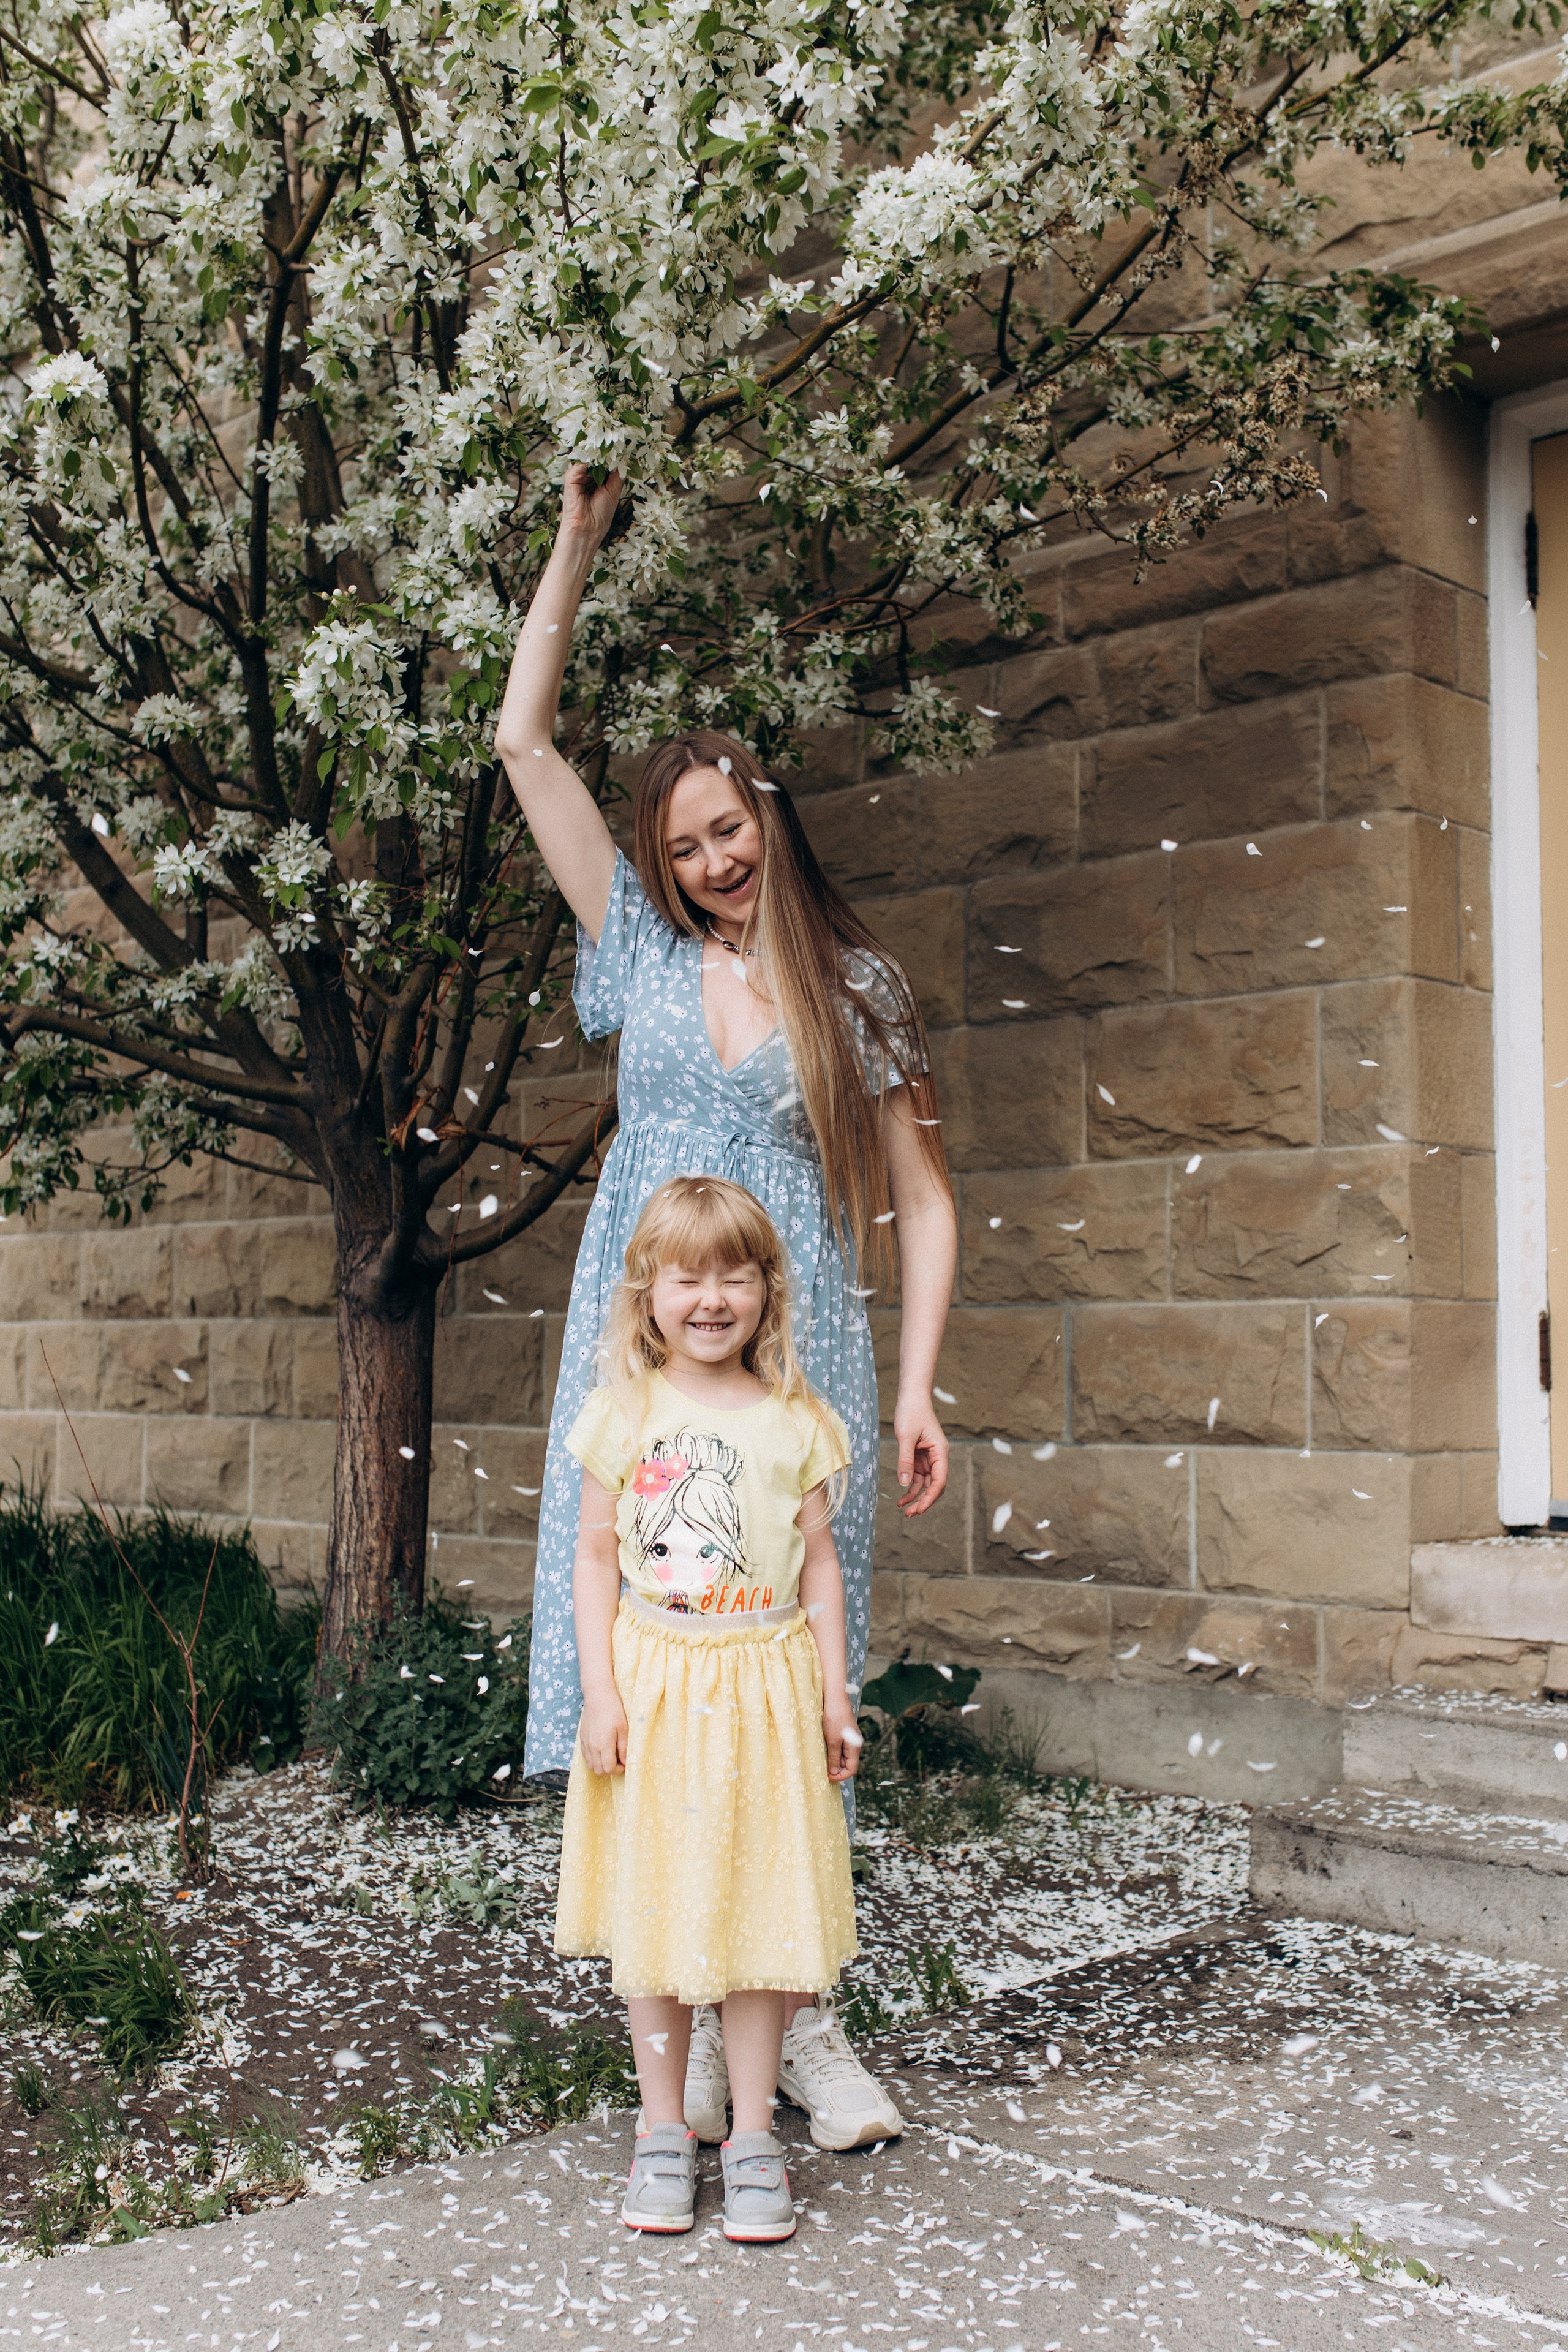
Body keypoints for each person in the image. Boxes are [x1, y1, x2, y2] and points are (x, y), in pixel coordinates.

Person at [494, 462, 959, 2155]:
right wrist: (573, 547)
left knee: (782, 1692)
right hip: (644, 1350)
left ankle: (808, 2025)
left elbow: (925, 1201)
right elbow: (523, 749)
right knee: (653, 1675)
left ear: (769, 816)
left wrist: (912, 1393)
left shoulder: (857, 989)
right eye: (685, 846)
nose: (711, 862)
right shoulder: (630, 948)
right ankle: (675, 2032)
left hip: (800, 1352)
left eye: (729, 832)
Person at [554, 1173, 862, 2237]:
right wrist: (599, 1689)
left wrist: (835, 1694)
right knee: (659, 1902)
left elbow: (820, 1567)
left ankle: (756, 2138)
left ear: (767, 1290)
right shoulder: (623, 1413)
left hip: (767, 1687)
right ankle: (659, 2133)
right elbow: (595, 1558)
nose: (711, 1296)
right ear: (648, 1293)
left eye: (735, 1272)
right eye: (687, 1275)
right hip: (660, 1685)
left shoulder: (796, 1421)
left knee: (760, 1904)